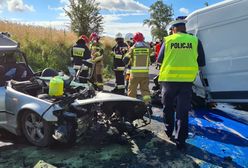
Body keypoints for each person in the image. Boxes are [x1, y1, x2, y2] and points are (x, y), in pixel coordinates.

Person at [157, 18, 205, 150]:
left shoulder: (168, 40)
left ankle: (168, 131)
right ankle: (181, 141)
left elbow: (159, 60)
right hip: (186, 82)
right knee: (182, 111)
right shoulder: (195, 40)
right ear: (185, 28)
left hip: (168, 81)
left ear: (173, 29)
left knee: (168, 107)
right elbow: (201, 62)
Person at [123, 32, 155, 106]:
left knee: (132, 91)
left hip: (134, 75)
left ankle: (131, 106)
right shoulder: (148, 48)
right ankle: (148, 105)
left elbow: (125, 60)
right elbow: (153, 59)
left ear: (135, 39)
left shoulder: (133, 48)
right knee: (145, 91)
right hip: (145, 75)